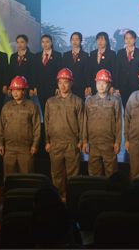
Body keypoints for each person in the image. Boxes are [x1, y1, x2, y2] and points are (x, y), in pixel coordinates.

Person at [44, 68, 84, 198]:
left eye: (66, 82)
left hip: (72, 144)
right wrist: (47, 141)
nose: (62, 85)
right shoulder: (50, 102)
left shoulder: (78, 101)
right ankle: (58, 198)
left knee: (73, 175)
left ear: (71, 83)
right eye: (60, 82)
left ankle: (72, 198)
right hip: (55, 144)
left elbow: (82, 123)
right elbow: (47, 123)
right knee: (56, 174)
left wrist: (81, 141)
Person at [83, 69, 122, 177]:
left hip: (109, 144)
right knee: (94, 176)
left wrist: (118, 142)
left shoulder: (115, 101)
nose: (101, 86)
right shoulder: (89, 101)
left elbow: (119, 123)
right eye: (98, 83)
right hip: (93, 144)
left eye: (104, 83)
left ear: (109, 84)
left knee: (111, 175)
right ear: (95, 83)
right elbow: (85, 122)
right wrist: (85, 141)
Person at [0, 76, 40, 175]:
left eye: (18, 90)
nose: (15, 93)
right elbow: (1, 127)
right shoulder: (6, 107)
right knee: (9, 178)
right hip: (9, 149)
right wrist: (0, 144)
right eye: (13, 90)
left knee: (26, 178)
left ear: (24, 91)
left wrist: (35, 145)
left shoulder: (32, 106)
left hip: (26, 149)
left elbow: (37, 127)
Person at [115, 30, 139, 108]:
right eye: (126, 38)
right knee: (125, 106)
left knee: (135, 107)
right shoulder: (120, 52)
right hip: (123, 85)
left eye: (131, 38)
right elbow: (117, 70)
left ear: (135, 40)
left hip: (136, 85)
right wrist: (117, 87)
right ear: (124, 40)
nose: (128, 40)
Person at [34, 34, 63, 111]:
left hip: (52, 87)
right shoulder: (37, 55)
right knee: (43, 108)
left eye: (47, 42)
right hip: (40, 87)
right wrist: (35, 86)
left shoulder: (57, 55)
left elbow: (59, 72)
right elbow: (35, 72)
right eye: (43, 42)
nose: (45, 44)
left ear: (51, 43)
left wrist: (58, 87)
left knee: (53, 108)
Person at [62, 32, 90, 99]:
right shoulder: (66, 55)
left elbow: (87, 73)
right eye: (73, 39)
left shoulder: (85, 55)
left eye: (77, 39)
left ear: (80, 41)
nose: (74, 41)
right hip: (68, 87)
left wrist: (87, 86)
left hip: (81, 87)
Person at [88, 32, 116, 96]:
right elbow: (89, 70)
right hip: (94, 85)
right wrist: (88, 85)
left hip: (106, 85)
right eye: (98, 39)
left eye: (102, 39)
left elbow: (114, 71)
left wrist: (112, 86)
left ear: (106, 41)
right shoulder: (92, 53)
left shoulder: (112, 54)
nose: (100, 41)